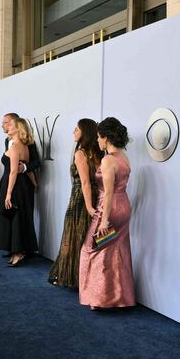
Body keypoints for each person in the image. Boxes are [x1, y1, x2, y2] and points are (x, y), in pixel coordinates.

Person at [78, 117, 135, 310]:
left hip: (109, 210)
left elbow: (109, 192)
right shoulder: (123, 157)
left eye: (99, 137)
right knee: (116, 250)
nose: (97, 141)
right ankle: (119, 297)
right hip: (124, 208)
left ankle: (99, 298)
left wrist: (104, 221)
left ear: (106, 138)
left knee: (91, 249)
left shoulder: (108, 159)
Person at [48, 118, 102, 287]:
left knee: (73, 235)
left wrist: (88, 206)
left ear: (84, 133)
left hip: (80, 198)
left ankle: (71, 277)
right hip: (96, 196)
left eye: (77, 129)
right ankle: (86, 277)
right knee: (89, 236)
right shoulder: (99, 154)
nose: (73, 132)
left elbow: (85, 182)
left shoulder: (80, 153)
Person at [0, 118, 38, 266]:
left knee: (14, 218)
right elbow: (25, 169)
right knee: (17, 218)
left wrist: (8, 194)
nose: (7, 127)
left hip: (13, 185)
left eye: (10, 125)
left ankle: (18, 253)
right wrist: (34, 183)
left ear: (18, 129)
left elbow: (14, 171)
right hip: (20, 185)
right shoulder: (25, 147)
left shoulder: (15, 147)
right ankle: (16, 251)